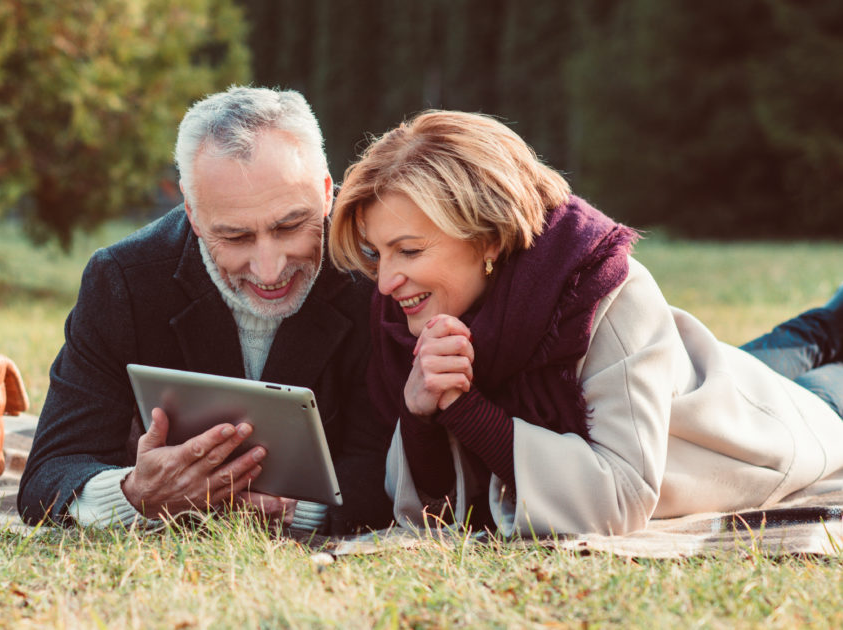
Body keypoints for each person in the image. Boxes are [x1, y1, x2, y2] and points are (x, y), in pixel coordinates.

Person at [326, 110, 843, 537]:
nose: (386, 281)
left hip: (772, 425)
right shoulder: (415, 322)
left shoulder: (597, 292)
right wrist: (421, 415)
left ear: (487, 238)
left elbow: (617, 499)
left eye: (409, 251)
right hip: (699, 375)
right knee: (803, 340)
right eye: (378, 253)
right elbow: (436, 517)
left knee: (825, 384)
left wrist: (463, 409)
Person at [17, 86, 395, 534]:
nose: (269, 269)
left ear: (327, 192)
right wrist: (135, 495)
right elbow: (49, 473)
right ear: (193, 215)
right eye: (235, 237)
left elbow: (394, 467)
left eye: (290, 224)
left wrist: (295, 509)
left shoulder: (377, 276)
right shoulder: (123, 280)